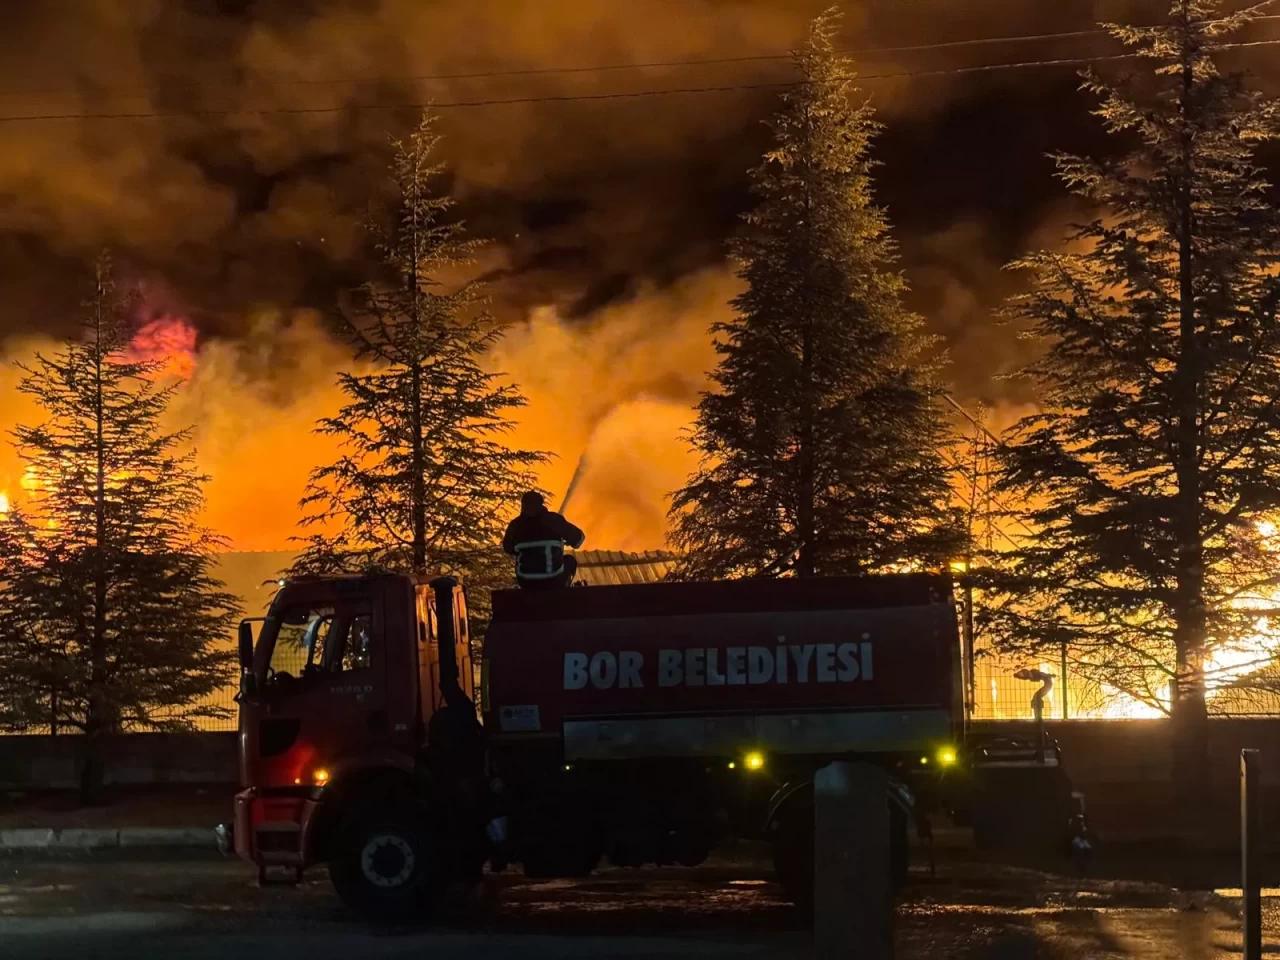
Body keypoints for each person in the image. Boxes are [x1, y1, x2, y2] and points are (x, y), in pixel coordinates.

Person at [502, 491, 585, 589]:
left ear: (523, 505)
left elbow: (507, 548)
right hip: (554, 581)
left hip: (526, 583)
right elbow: (579, 540)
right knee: (570, 561)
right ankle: (564, 591)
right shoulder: (554, 520)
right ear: (541, 504)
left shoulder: (515, 525)